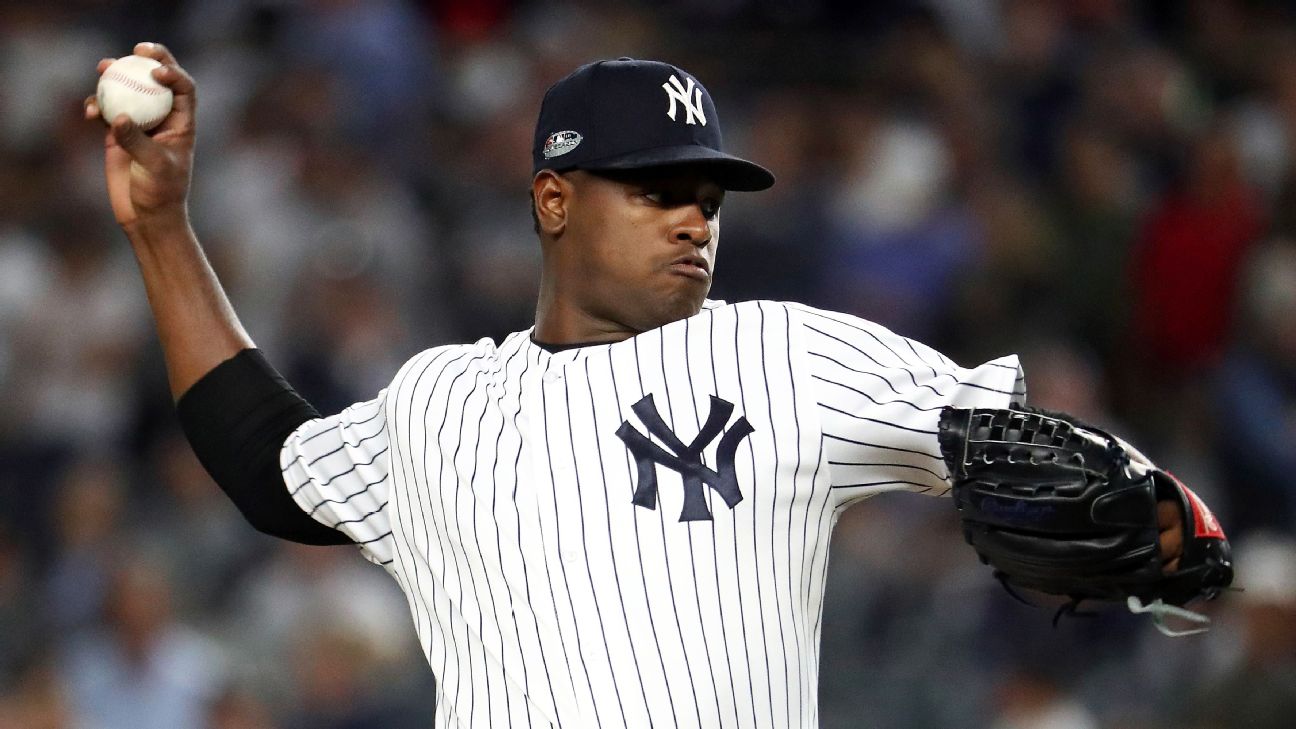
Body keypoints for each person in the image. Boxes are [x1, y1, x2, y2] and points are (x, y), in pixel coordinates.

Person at [86, 43, 1216, 728]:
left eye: (710, 197)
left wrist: (1163, 530)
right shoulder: (438, 402)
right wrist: (161, 228)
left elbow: (1017, 443)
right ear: (554, 199)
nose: (694, 218)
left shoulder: (790, 356)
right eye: (656, 187)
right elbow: (267, 462)